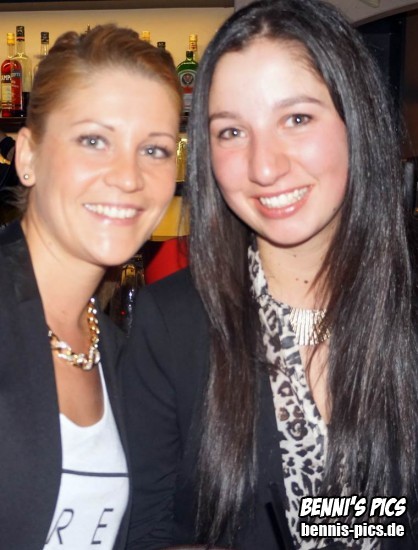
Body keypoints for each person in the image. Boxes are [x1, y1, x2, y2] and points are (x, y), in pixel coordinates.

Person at [121, 0, 418, 548]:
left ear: (357, 121)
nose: (263, 166)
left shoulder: (404, 311)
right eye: (232, 131)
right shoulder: (173, 326)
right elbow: (144, 529)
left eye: (296, 119)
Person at [0, 23, 181, 549]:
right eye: (94, 140)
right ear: (27, 156)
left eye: (155, 149)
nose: (128, 177)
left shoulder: (116, 345)